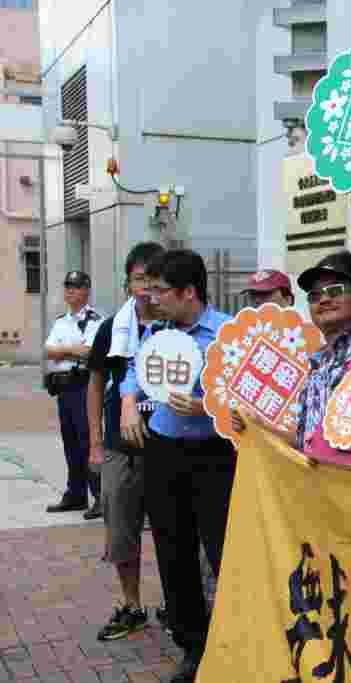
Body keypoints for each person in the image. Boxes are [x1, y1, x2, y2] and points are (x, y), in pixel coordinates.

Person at [119, 249, 234, 683]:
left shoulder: (227, 334)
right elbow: (133, 368)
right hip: (164, 450)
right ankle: (193, 646)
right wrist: (129, 401)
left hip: (216, 455)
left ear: (189, 292)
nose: (152, 299)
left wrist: (208, 405)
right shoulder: (157, 333)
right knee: (173, 550)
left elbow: (246, 396)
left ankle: (238, 639)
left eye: (161, 291)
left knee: (224, 550)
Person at [231, 184, 351, 453]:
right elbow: (306, 444)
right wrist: (257, 425)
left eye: (335, 290)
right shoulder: (315, 365)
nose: (323, 299)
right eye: (315, 295)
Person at [86, 242, 164, 641]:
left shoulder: (176, 326)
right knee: (121, 532)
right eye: (139, 279)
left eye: (153, 278)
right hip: (121, 450)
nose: (146, 286)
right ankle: (132, 605)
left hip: (169, 448)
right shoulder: (113, 327)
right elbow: (96, 384)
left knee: (174, 533)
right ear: (128, 283)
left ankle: (177, 605)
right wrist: (96, 443)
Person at [44, 270, 103, 515]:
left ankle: (100, 496)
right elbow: (49, 351)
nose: (71, 291)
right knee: (70, 442)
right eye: (68, 286)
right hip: (63, 388)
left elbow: (88, 352)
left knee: (88, 441)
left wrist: (64, 351)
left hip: (83, 387)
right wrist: (71, 350)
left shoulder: (94, 320)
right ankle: (76, 494)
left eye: (76, 287)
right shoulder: (61, 321)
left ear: (87, 291)